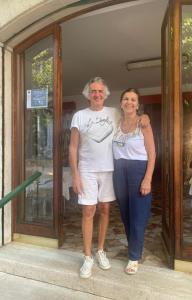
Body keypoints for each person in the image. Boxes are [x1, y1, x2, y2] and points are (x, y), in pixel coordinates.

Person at [69, 77, 118, 278]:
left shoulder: (115, 113)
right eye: (93, 91)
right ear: (88, 95)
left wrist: (145, 118)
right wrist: (75, 176)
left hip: (109, 169)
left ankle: (100, 250)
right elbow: (72, 147)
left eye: (100, 91)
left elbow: (133, 118)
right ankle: (87, 256)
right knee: (89, 210)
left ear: (105, 94)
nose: (96, 94)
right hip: (87, 169)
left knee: (105, 209)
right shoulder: (79, 116)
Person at [112, 88, 156, 275]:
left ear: (138, 104)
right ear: (121, 103)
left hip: (139, 171)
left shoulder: (143, 123)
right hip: (119, 171)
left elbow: (152, 153)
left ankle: (134, 257)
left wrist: (147, 179)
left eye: (133, 99)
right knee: (126, 215)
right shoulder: (116, 123)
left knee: (138, 216)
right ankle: (133, 250)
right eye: (125, 99)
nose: (129, 102)